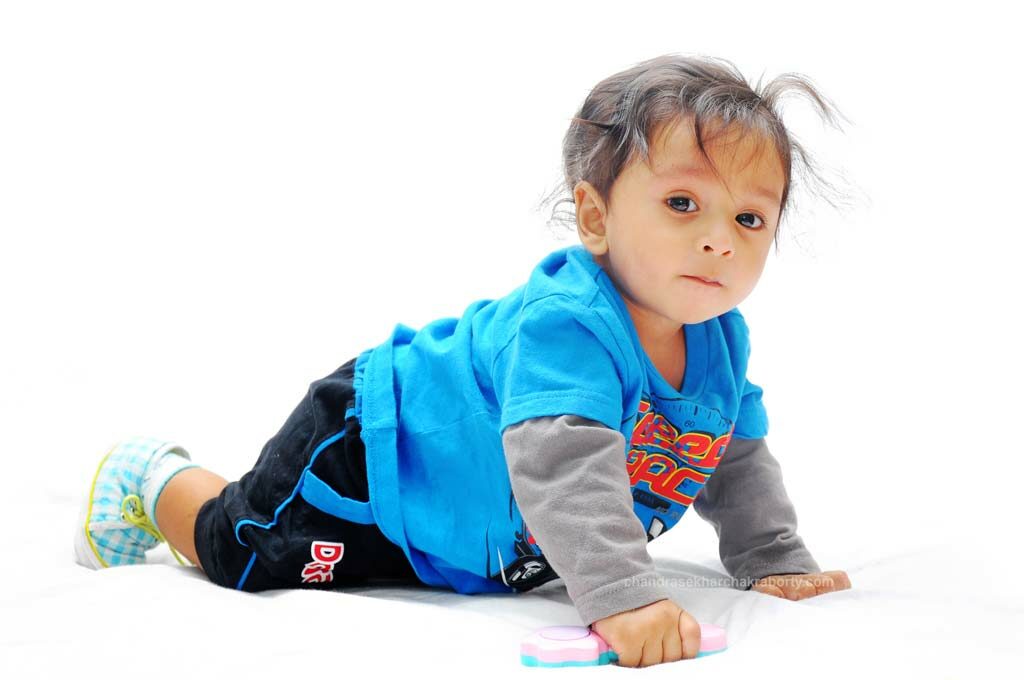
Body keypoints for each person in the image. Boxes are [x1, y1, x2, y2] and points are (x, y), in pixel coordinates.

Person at [73, 53, 853, 668]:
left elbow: (733, 453)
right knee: (240, 553)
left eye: (750, 217)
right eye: (684, 204)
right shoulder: (568, 323)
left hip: (450, 528)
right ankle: (151, 476)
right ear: (595, 215)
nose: (720, 237)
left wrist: (768, 554)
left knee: (363, 579)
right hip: (374, 451)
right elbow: (564, 462)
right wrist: (623, 595)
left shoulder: (720, 337)